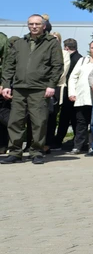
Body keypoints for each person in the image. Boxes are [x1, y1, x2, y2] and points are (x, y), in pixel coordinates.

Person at [0, 14, 64, 164]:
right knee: (15, 121)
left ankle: (36, 152)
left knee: (38, 122)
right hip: (20, 89)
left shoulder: (52, 43)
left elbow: (57, 66)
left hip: (40, 88)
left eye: (37, 24)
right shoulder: (20, 43)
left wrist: (51, 85)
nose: (34, 27)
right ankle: (15, 152)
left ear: (43, 26)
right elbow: (9, 66)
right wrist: (6, 85)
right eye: (31, 24)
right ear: (28, 25)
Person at [68, 41, 93, 154]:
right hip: (82, 97)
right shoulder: (82, 61)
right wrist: (71, 92)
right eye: (92, 47)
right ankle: (78, 146)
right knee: (81, 123)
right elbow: (73, 77)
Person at [49, 38, 82, 151]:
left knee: (65, 118)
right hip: (76, 92)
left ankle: (58, 142)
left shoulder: (68, 58)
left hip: (68, 92)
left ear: (66, 48)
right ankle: (77, 142)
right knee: (74, 119)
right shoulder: (81, 58)